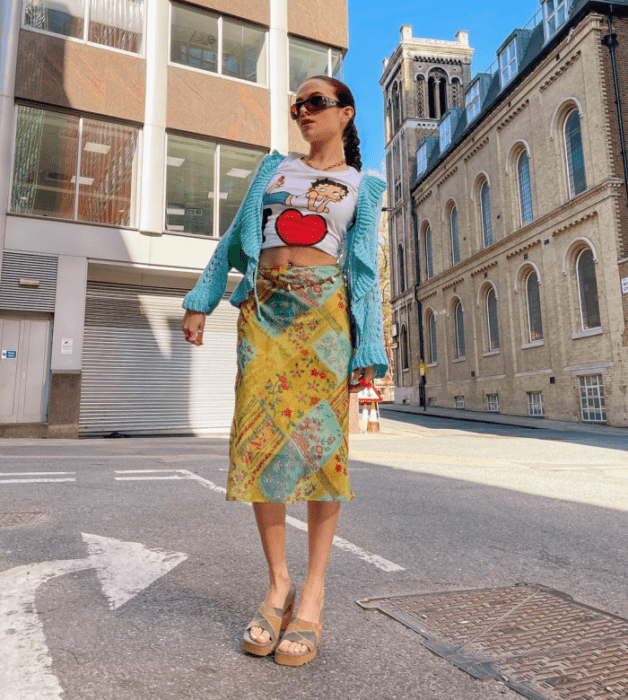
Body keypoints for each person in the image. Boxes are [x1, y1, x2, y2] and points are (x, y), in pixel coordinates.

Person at [181, 75, 388, 666]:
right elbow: (234, 241)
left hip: (326, 317)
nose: (302, 112)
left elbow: (366, 274)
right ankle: (279, 585)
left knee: (322, 451)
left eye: (315, 103)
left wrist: (367, 349)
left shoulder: (363, 185)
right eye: (296, 103)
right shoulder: (273, 169)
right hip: (265, 310)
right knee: (260, 440)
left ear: (345, 114)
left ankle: (313, 595)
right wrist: (203, 295)